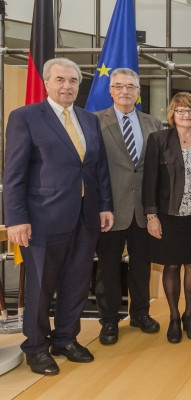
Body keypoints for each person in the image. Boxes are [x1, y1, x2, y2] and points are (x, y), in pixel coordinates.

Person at [3, 58, 114, 375]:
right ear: (47, 83)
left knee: (76, 283)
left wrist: (105, 205)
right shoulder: (25, 117)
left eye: (74, 81)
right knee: (40, 287)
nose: (67, 86)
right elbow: (14, 173)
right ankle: (36, 348)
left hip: (85, 216)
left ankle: (65, 338)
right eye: (61, 80)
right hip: (41, 219)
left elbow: (98, 169)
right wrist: (16, 218)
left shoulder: (88, 120)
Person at [95, 68, 163, 345]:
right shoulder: (95, 122)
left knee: (142, 266)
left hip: (143, 209)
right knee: (108, 268)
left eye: (131, 86)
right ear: (110, 90)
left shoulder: (154, 124)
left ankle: (140, 313)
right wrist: (100, 205)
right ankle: (109, 321)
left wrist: (154, 209)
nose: (125, 91)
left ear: (138, 91)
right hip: (109, 210)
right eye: (119, 86)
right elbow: (92, 169)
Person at [142, 92, 191, 344]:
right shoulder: (158, 139)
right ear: (172, 114)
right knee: (171, 266)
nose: (186, 115)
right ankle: (173, 317)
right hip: (168, 214)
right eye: (181, 110)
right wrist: (151, 216)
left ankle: (189, 315)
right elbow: (149, 179)